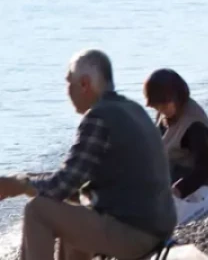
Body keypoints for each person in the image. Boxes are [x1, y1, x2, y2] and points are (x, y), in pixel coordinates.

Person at [0, 51, 176, 260]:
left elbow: (60, 186)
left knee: (37, 211)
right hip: (158, 226)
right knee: (73, 212)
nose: (67, 91)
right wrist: (26, 181)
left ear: (84, 84)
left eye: (69, 83)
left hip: (135, 234)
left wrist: (19, 185)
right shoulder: (132, 109)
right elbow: (77, 179)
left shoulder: (98, 117)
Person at [144, 69, 208, 226]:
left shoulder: (194, 125)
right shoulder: (166, 114)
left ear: (177, 97)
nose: (160, 110)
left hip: (192, 188)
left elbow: (204, 170)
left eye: (163, 105)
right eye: (157, 107)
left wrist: (177, 191)